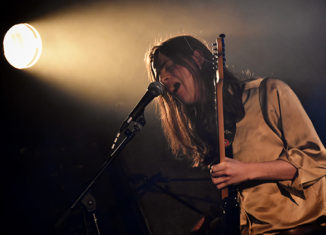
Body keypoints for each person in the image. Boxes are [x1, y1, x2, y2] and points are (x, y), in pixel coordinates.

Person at [146, 35, 326, 234]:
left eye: (168, 66)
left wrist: (248, 170)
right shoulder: (209, 126)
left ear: (197, 59)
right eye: (158, 74)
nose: (162, 78)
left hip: (302, 226)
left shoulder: (268, 92)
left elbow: (316, 160)